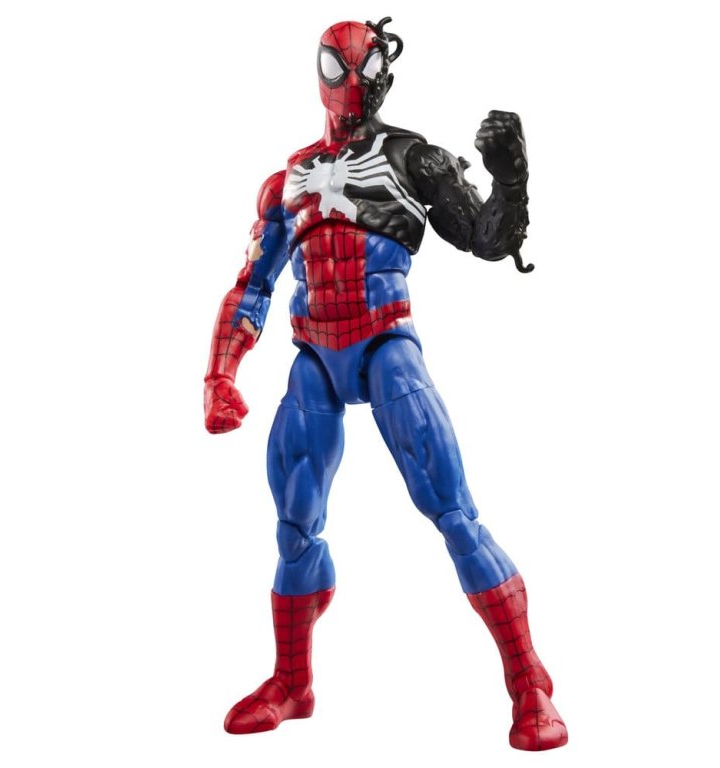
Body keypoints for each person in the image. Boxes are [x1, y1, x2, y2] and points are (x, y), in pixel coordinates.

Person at [203, 18, 566, 751]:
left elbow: (488, 238)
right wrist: (220, 373)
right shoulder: (288, 180)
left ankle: (531, 684)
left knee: (452, 510)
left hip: (385, 343)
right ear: (319, 75)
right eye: (338, 69)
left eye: (365, 70)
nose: (352, 85)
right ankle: (293, 681)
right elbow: (253, 283)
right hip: (314, 356)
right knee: (294, 523)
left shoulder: (412, 158)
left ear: (384, 76)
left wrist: (512, 179)